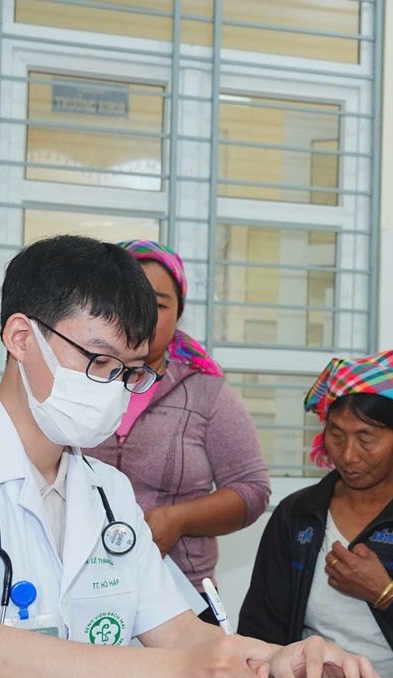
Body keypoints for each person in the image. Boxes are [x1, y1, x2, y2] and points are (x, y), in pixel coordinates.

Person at [0, 235, 384, 678]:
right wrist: (170, 676)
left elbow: (176, 632)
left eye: (130, 372)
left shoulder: (107, 490)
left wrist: (277, 657)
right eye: (99, 362)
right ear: (21, 337)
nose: (114, 389)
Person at [239, 346, 393, 678]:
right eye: (336, 434)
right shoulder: (297, 515)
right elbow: (260, 630)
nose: (348, 455)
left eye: (367, 438)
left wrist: (387, 595)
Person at [86, 240, 269, 605]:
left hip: (182, 594)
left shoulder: (206, 393)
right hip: (81, 586)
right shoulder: (78, 380)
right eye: (129, 299)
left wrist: (179, 519)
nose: (144, 314)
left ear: (178, 313)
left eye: (158, 304)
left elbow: (252, 489)